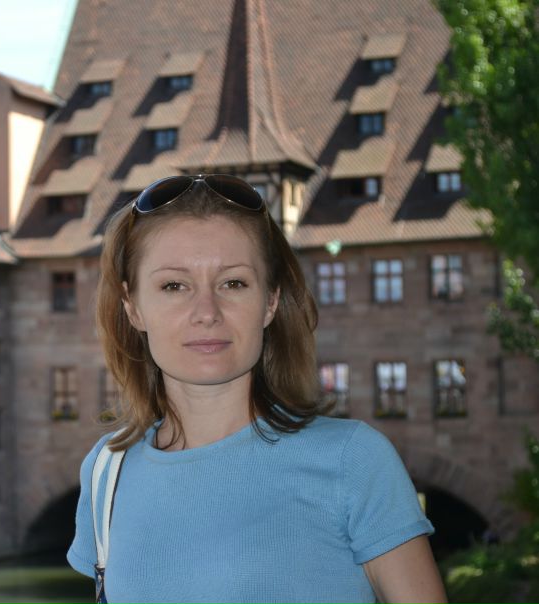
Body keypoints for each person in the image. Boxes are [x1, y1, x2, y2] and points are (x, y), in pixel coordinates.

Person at [67, 175, 447, 604]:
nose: (206, 312)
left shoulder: (353, 460)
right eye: (174, 286)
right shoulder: (107, 470)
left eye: (233, 283)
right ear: (133, 307)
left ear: (270, 301)